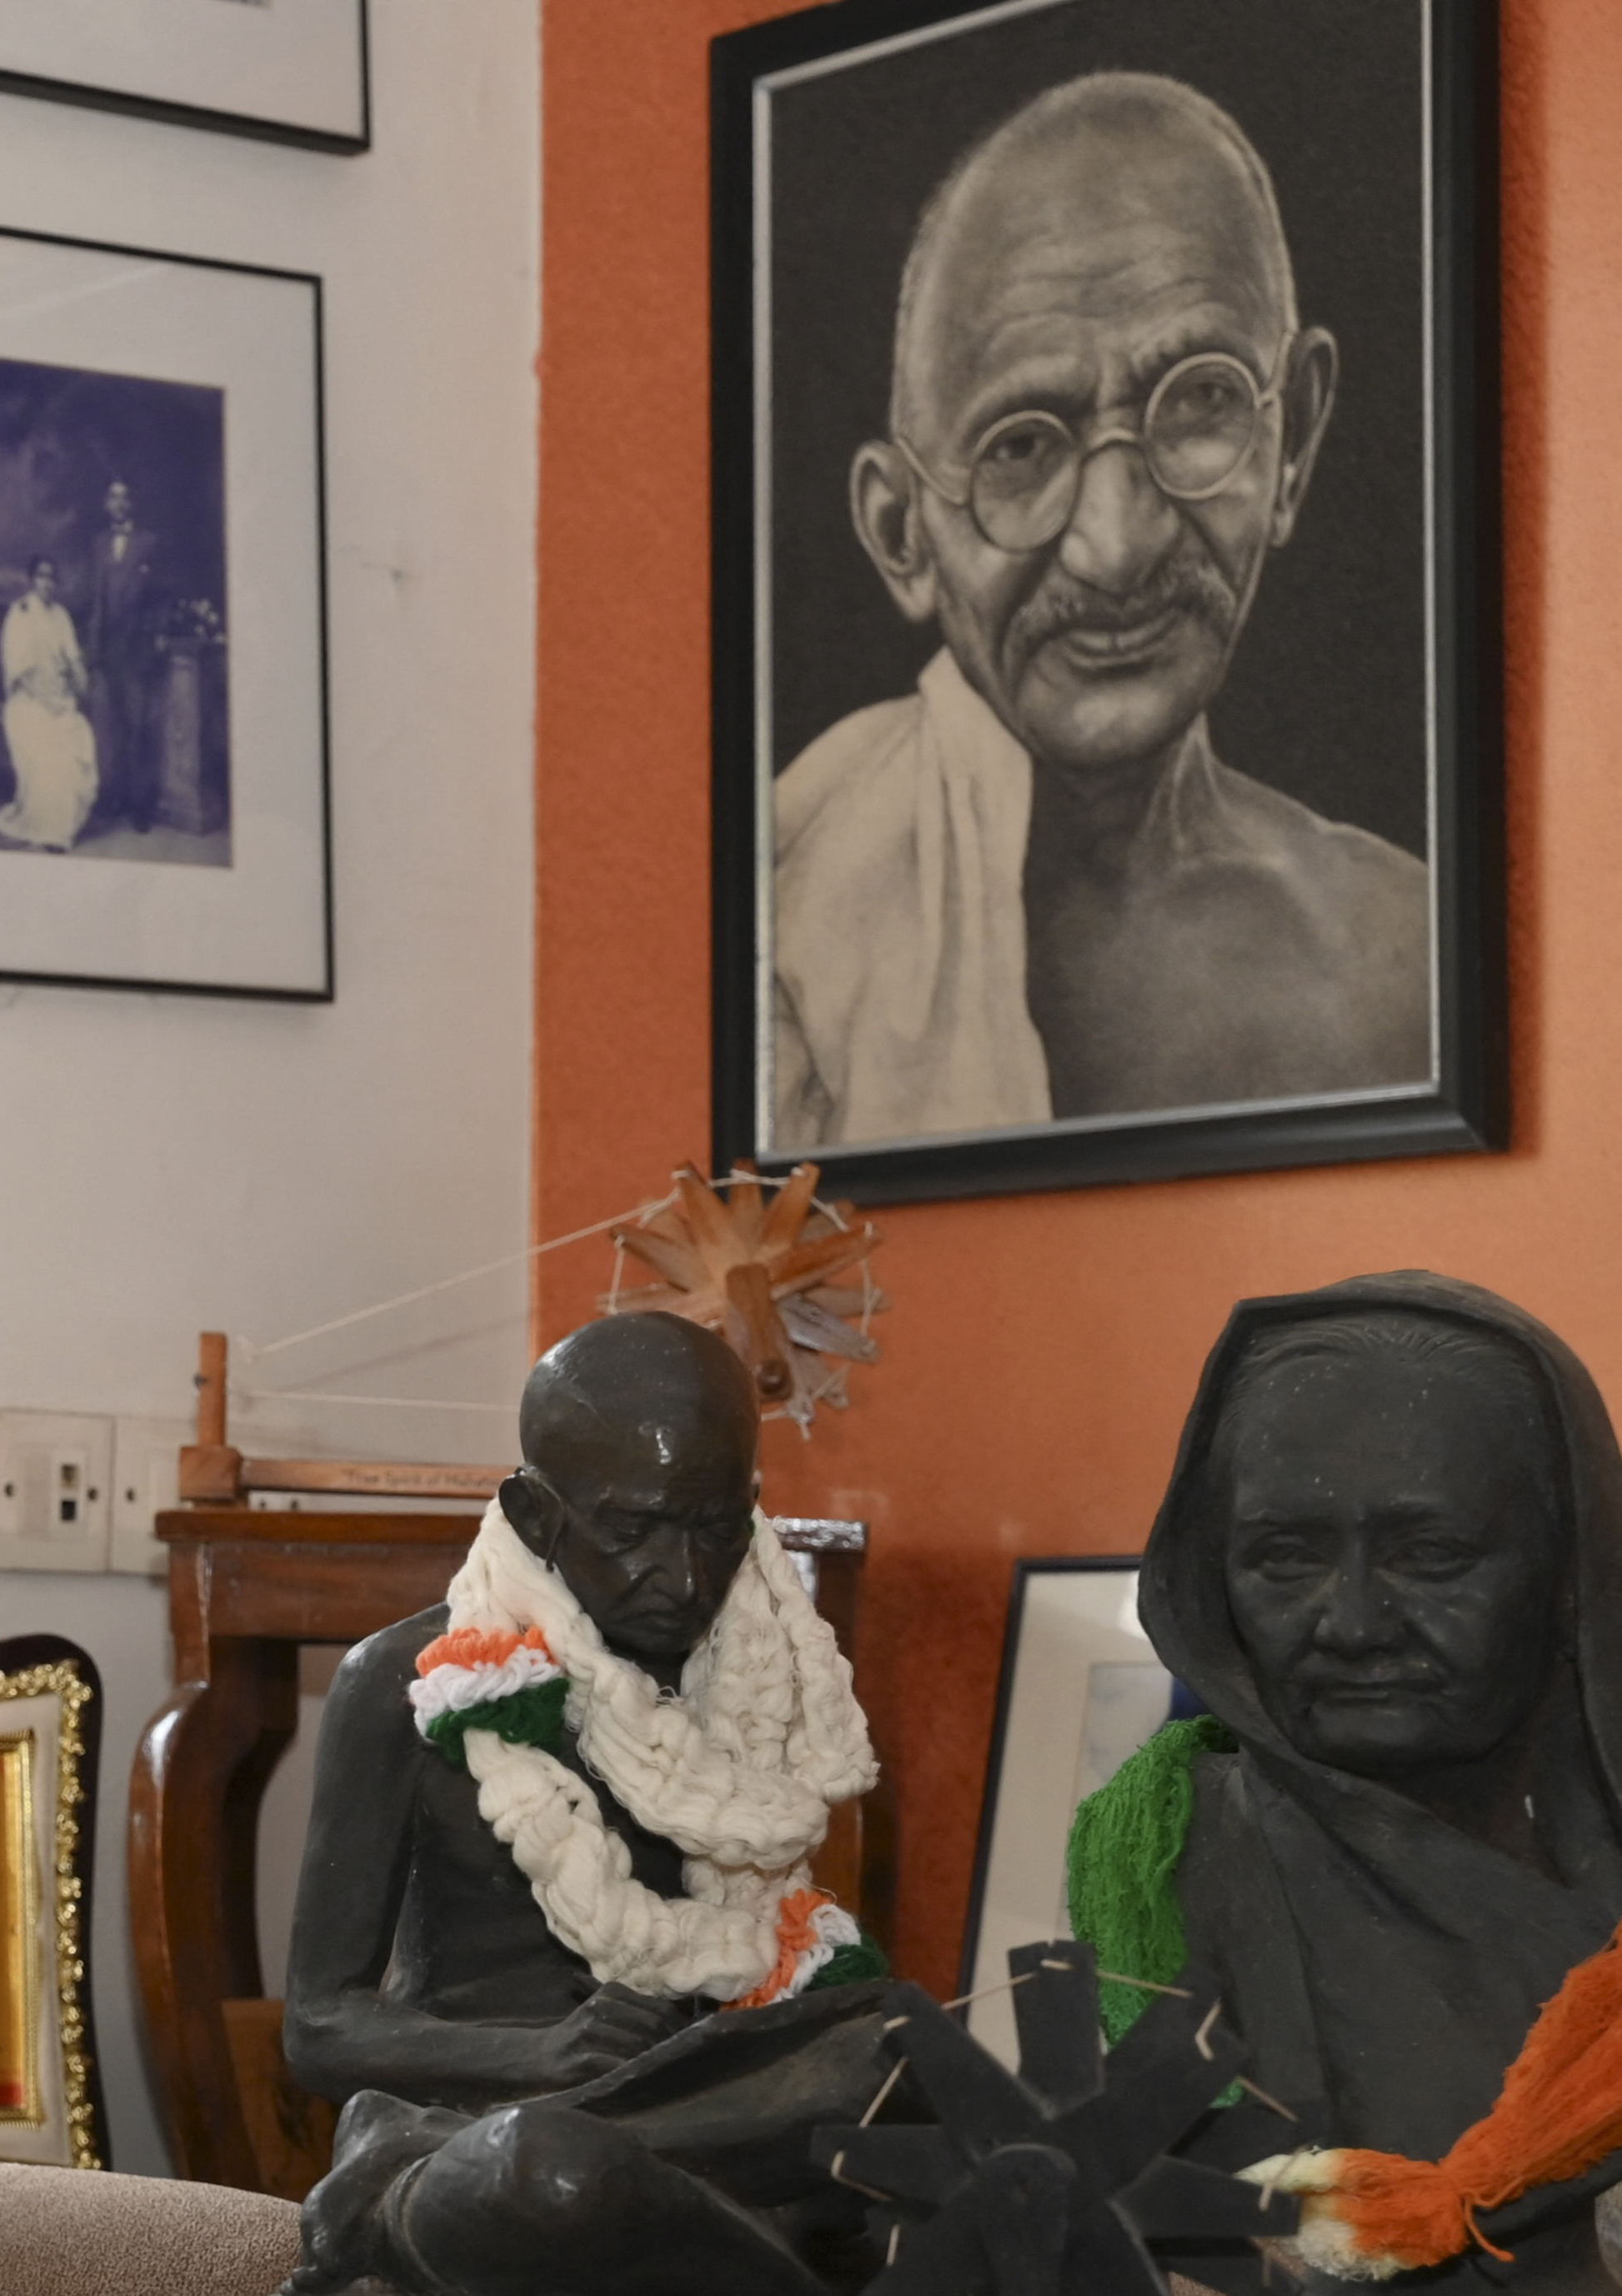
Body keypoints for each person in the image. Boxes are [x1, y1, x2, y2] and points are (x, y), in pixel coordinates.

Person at [773, 73, 1429, 1151]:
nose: (1116, 545)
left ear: (1293, 439)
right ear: (900, 533)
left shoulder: (1395, 958)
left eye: (1200, 401)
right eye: (1019, 447)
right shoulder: (793, 922)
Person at [280, 1315, 889, 2296]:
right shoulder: (401, 1683)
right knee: (554, 2174)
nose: (684, 1578)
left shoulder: (763, 1680)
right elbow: (316, 2028)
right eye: (635, 1531)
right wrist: (540, 2055)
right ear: (534, 1514)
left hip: (700, 2112)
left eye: (718, 1527)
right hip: (469, 2133)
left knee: (899, 2060)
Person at [1092, 1273, 1622, 2292]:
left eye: (1433, 1555)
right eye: (1286, 1558)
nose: (1353, 1624)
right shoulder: (1163, 1868)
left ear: (1567, 1571)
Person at [0, 554, 99, 851]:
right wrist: (46, 701)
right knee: (49, 751)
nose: (47, 583)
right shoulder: (21, 612)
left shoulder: (60, 614)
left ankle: (62, 828)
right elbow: (19, 670)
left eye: (52, 577)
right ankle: (49, 831)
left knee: (74, 746)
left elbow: (73, 655)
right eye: (41, 576)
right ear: (32, 579)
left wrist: (78, 678)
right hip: (30, 700)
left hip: (60, 697)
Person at [81, 479, 161, 835]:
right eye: (112, 496)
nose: (119, 503)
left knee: (139, 727)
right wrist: (92, 648)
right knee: (107, 728)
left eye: (125, 496)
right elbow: (96, 598)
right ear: (105, 504)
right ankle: (111, 797)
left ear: (132, 504)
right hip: (106, 649)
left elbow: (159, 598)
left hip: (137, 650)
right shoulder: (98, 544)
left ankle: (140, 805)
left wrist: (153, 636)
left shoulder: (149, 543)